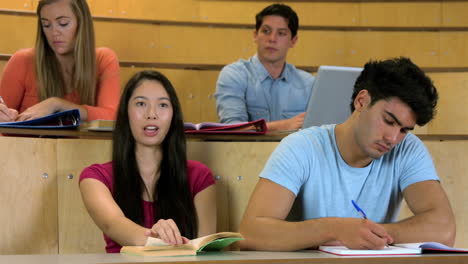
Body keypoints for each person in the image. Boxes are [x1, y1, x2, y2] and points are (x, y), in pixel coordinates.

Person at [239, 57, 456, 251]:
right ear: (361, 101)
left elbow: (443, 229)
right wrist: (333, 229)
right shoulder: (301, 147)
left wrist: (366, 233)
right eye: (389, 121)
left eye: (404, 130)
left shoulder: (408, 149)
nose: (393, 138)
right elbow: (251, 232)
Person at [79, 70, 217, 253]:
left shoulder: (200, 176)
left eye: (162, 105)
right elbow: (114, 224)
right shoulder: (95, 178)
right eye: (141, 104)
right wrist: (157, 237)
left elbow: (204, 251)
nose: (152, 114)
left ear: (173, 115)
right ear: (125, 113)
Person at [0, 0, 120, 122]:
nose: (54, 33)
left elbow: (111, 117)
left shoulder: (104, 59)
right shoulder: (22, 60)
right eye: (46, 25)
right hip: (25, 142)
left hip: (81, 142)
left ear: (82, 23)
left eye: (63, 24)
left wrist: (56, 104)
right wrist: (5, 116)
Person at [215, 4, 314, 132]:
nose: (272, 39)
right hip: (245, 152)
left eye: (281, 33)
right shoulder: (234, 75)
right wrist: (283, 126)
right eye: (266, 31)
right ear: (255, 35)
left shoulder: (308, 83)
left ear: (293, 41)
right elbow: (233, 129)